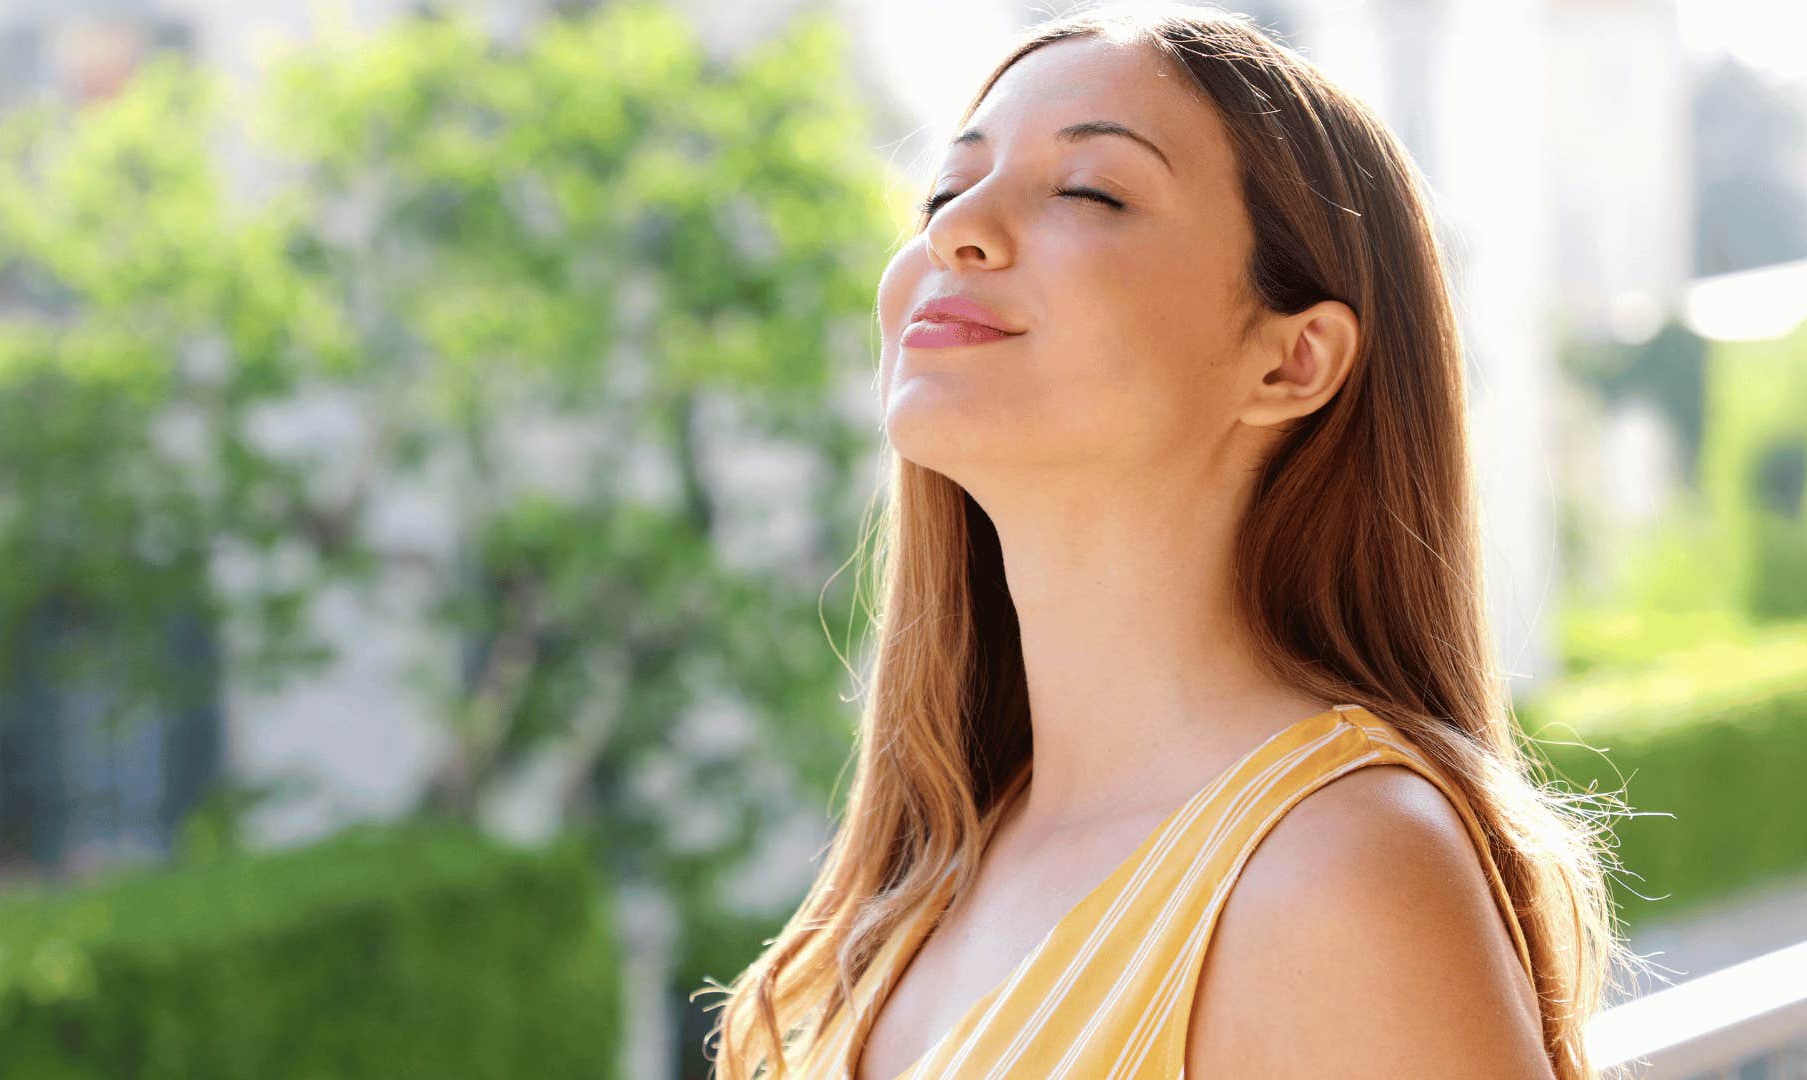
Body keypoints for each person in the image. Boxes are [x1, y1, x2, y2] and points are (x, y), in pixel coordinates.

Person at [697, 4, 1643, 1077]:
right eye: (946, 190)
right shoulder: (931, 872)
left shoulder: (1341, 873)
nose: (957, 230)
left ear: (1291, 362)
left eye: (1089, 190)